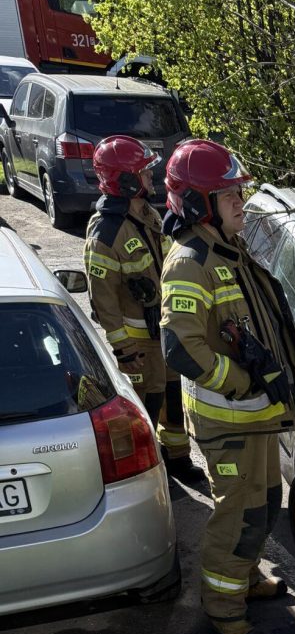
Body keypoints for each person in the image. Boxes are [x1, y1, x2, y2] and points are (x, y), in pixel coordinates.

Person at [159, 139, 295, 634]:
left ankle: (245, 579)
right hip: (229, 417)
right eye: (229, 196)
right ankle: (225, 609)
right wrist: (242, 380)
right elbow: (180, 348)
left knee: (266, 504)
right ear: (200, 203)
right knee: (237, 514)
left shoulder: (227, 247)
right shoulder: (189, 262)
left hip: (255, 415)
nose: (240, 204)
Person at [83, 135, 203, 486]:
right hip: (137, 343)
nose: (151, 178)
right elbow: (103, 300)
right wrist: (124, 348)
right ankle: (148, 472)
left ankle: (177, 459)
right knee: (145, 408)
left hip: (161, 331)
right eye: (144, 173)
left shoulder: (146, 212)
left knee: (171, 398)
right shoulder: (106, 233)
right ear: (124, 180)